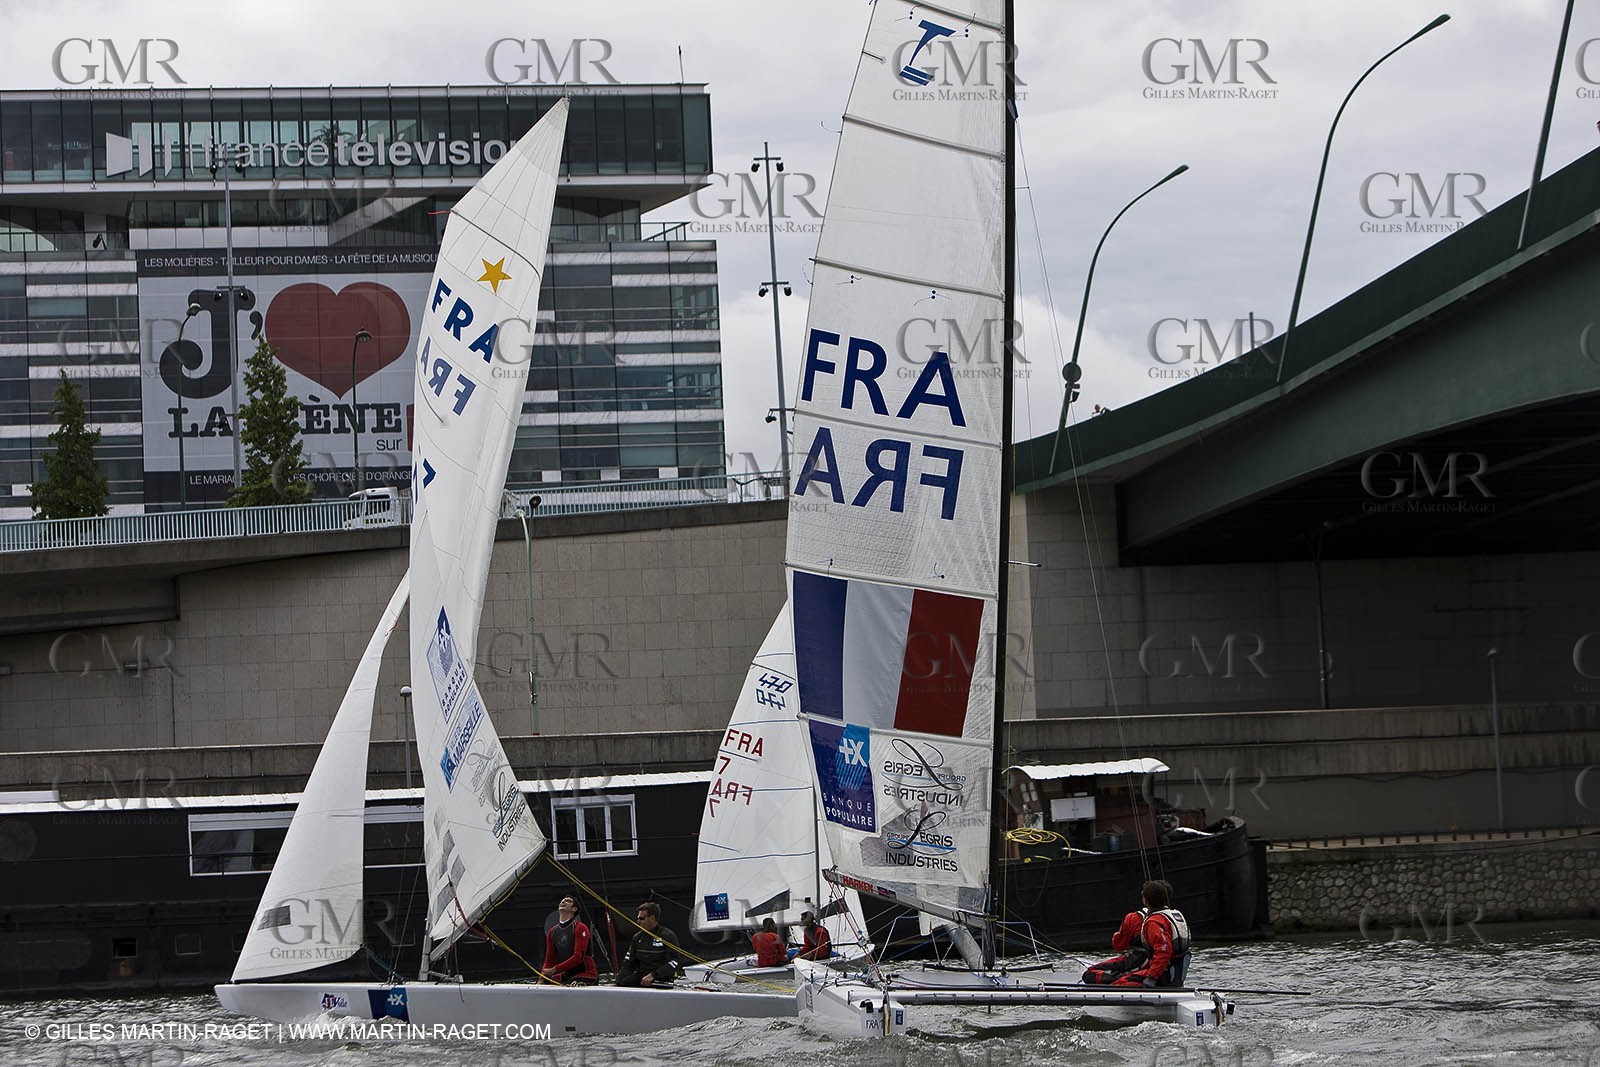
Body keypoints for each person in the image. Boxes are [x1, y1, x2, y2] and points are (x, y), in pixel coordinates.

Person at [1081, 879, 1191, 988]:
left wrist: (1151, 978)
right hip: (1172, 973)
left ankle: (1124, 979)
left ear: (1145, 900)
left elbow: (1163, 951)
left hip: (1157, 974)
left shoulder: (1149, 921)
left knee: (1093, 976)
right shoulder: (1175, 916)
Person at [615, 901, 684, 987]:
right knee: (624, 982)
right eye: (638, 918)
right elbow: (628, 963)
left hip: (661, 978)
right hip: (642, 977)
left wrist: (653, 975)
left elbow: (675, 962)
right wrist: (618, 981)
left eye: (642, 918)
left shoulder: (667, 936)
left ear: (652, 918)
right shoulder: (637, 937)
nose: (638, 921)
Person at [540, 895, 598, 985]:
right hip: (566, 974)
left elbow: (578, 957)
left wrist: (555, 969)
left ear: (574, 909)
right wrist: (541, 979)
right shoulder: (552, 932)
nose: (563, 902)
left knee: (572, 983)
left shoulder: (580, 928)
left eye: (568, 901)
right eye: (562, 901)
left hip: (586, 974)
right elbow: (549, 959)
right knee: (547, 981)